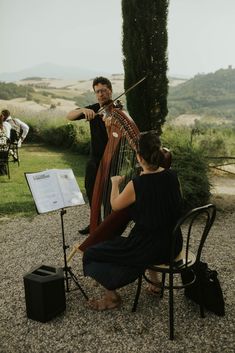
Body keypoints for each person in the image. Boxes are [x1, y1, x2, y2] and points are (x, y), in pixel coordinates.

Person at [82, 131, 183, 310]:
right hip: (173, 243)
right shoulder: (172, 176)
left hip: (147, 248)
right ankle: (155, 283)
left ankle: (111, 298)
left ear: (138, 156)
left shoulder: (136, 184)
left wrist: (115, 184)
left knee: (92, 252)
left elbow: (115, 205)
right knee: (152, 228)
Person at [66, 76, 113, 235]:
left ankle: (108, 225)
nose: (101, 94)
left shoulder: (117, 111)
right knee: (90, 189)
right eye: (97, 91)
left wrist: (109, 126)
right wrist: (82, 110)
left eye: (104, 91)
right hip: (95, 158)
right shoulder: (93, 109)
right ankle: (95, 221)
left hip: (112, 159)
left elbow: (117, 137)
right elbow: (69, 116)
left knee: (108, 193)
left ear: (110, 91)